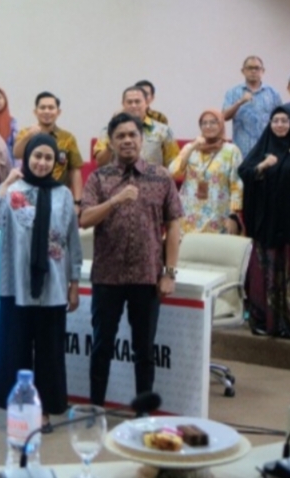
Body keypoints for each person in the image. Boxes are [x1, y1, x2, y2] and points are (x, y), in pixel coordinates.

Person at [80, 113, 182, 408]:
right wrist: (115, 200)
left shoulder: (161, 177)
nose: (127, 140)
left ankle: (143, 416)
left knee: (144, 350)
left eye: (132, 135)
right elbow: (84, 219)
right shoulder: (99, 178)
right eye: (120, 136)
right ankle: (95, 410)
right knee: (102, 346)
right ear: (111, 143)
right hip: (107, 276)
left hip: (147, 276)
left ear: (141, 139)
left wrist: (169, 272)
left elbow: (174, 225)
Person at [0, 134, 81, 430]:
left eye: (48, 157)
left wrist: (74, 282)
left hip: (53, 287)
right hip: (15, 286)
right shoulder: (14, 189)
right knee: (16, 351)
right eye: (37, 156)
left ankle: (45, 411)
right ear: (26, 158)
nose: (42, 162)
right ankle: (20, 411)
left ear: (55, 162)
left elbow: (72, 240)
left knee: (50, 353)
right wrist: (4, 184)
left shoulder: (64, 194)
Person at [239, 107, 290, 339]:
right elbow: (244, 171)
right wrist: (263, 166)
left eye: (285, 121)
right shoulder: (263, 147)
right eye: (276, 120)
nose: (280, 125)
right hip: (267, 223)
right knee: (266, 270)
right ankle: (264, 321)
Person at [168, 110, 244, 235]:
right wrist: (193, 147)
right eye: (204, 123)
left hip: (218, 213)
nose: (208, 126)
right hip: (189, 212)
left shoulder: (231, 151)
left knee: (213, 246)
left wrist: (234, 214)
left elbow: (237, 185)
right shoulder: (190, 148)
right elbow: (173, 172)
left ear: (221, 124)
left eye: (213, 122)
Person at [13, 92, 83, 212]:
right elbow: (17, 154)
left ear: (58, 112)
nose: (47, 111)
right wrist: (29, 136)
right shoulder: (26, 133)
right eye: (42, 107)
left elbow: (74, 170)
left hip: (58, 197)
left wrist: (77, 202)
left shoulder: (68, 138)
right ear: (35, 112)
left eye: (51, 108)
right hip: (29, 197)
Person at [94, 87, 179, 169]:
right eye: (129, 102)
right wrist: (110, 145)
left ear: (147, 103)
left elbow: (174, 167)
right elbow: (100, 163)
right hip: (116, 178)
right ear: (123, 104)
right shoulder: (109, 131)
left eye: (137, 102)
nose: (133, 105)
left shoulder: (163, 131)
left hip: (152, 178)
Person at [223, 55, 283, 157]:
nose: (253, 71)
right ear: (243, 71)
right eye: (250, 68)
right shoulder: (233, 92)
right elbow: (224, 116)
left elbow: (281, 119)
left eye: (257, 68)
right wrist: (240, 102)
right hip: (241, 151)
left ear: (262, 71)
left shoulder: (273, 93)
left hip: (266, 150)